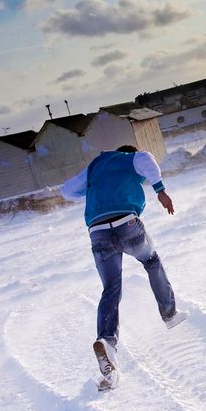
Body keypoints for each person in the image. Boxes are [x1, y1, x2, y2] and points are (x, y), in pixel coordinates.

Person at [60, 144, 186, 386]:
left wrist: (91, 187)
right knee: (151, 261)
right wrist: (160, 190)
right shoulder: (130, 158)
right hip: (127, 224)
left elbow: (66, 191)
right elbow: (146, 159)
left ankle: (106, 341)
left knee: (111, 288)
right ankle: (169, 313)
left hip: (97, 232)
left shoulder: (94, 167)